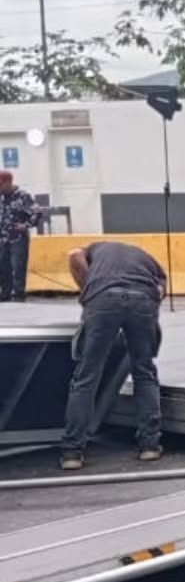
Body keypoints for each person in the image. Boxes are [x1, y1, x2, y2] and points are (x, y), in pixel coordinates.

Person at [57, 241, 166, 470]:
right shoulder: (145, 256)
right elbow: (160, 290)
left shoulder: (93, 249)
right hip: (143, 298)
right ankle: (150, 446)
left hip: (104, 297)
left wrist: (87, 291)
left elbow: (74, 254)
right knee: (144, 372)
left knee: (87, 376)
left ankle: (72, 452)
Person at [0, 170, 39, 302]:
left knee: (18, 267)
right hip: (2, 238)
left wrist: (26, 225)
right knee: (3, 267)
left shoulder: (23, 196)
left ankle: (18, 295)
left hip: (18, 239)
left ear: (8, 183)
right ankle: (5, 294)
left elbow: (37, 212)